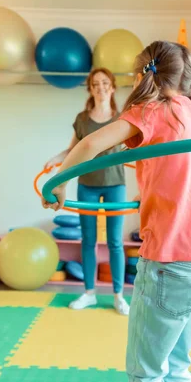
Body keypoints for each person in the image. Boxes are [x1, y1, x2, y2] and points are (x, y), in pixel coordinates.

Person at [42, 41, 191, 382]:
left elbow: (88, 146)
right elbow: (181, 176)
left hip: (171, 265)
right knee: (176, 369)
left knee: (145, 377)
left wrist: (59, 183)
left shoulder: (151, 110)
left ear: (143, 76)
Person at [44, 68, 130, 316]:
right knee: (89, 241)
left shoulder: (122, 118)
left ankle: (118, 296)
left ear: (112, 87)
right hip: (87, 185)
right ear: (91, 89)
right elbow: (73, 151)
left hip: (115, 184)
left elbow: (134, 149)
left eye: (105, 83)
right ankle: (89, 293)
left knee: (115, 242)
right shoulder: (82, 119)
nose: (100, 87)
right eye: (95, 84)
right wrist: (55, 160)